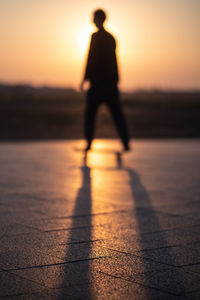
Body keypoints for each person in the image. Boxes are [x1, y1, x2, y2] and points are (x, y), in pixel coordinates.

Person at [80, 9, 130, 151]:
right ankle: (125, 142)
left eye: (94, 17)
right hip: (110, 84)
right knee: (117, 114)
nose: (92, 20)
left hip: (98, 84)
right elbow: (114, 61)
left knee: (90, 115)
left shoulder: (95, 37)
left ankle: (89, 143)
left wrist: (85, 78)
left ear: (98, 19)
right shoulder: (111, 37)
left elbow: (91, 58)